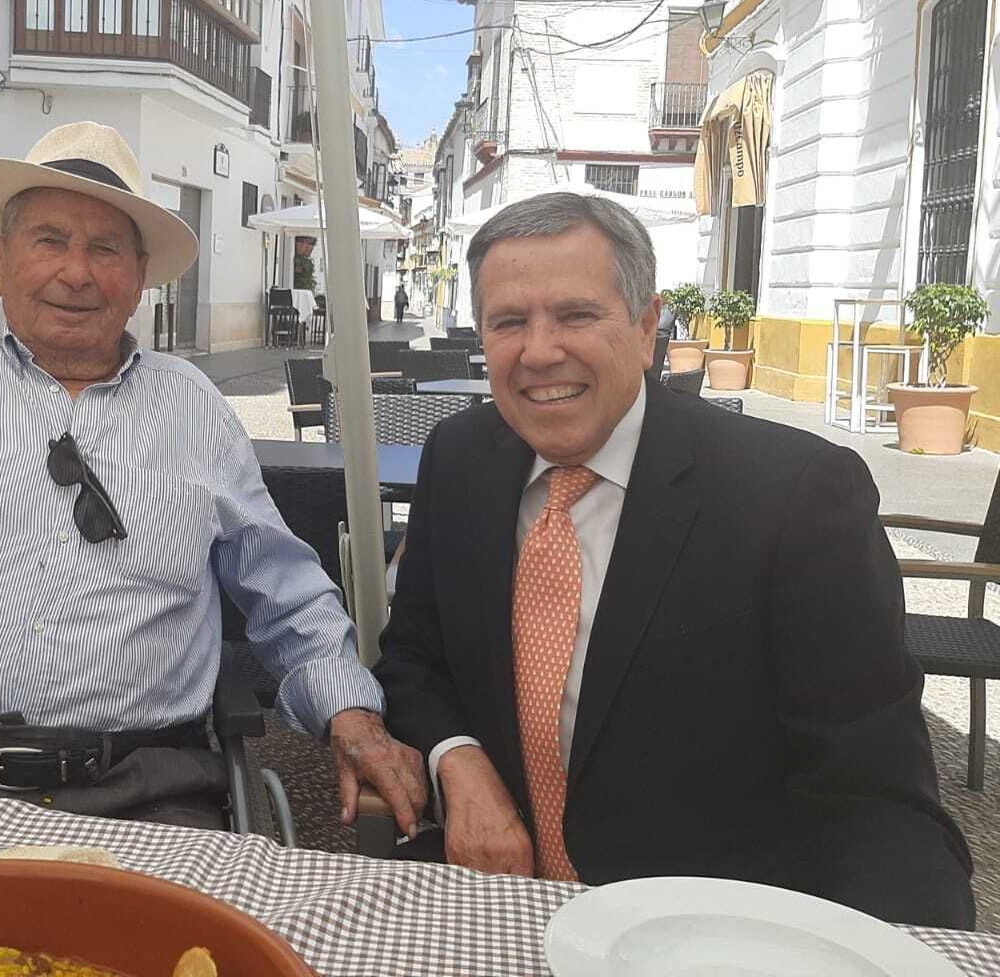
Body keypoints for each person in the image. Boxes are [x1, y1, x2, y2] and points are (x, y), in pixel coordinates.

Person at [0, 121, 426, 834]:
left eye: (105, 248)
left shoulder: (195, 409)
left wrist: (353, 715)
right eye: (50, 240)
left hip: (143, 793)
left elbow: (287, 590)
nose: (77, 272)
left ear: (140, 276)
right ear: (0, 262)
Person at [374, 191, 974, 928]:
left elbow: (874, 791)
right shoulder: (460, 458)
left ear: (647, 326)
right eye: (508, 322)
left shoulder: (795, 495)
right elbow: (413, 657)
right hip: (501, 898)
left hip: (711, 927)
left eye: (576, 315)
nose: (539, 351)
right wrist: (458, 759)